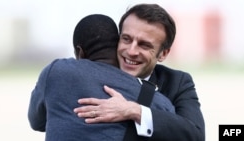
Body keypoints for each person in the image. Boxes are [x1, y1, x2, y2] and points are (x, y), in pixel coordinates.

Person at [28, 14, 175, 141]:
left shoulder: (56, 71)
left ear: (80, 52)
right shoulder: (157, 101)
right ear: (118, 45)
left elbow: (37, 122)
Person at [74, 3, 205, 141]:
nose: (131, 51)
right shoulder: (90, 74)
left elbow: (196, 135)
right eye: (126, 39)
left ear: (163, 53)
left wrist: (134, 111)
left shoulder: (177, 82)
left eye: (144, 45)